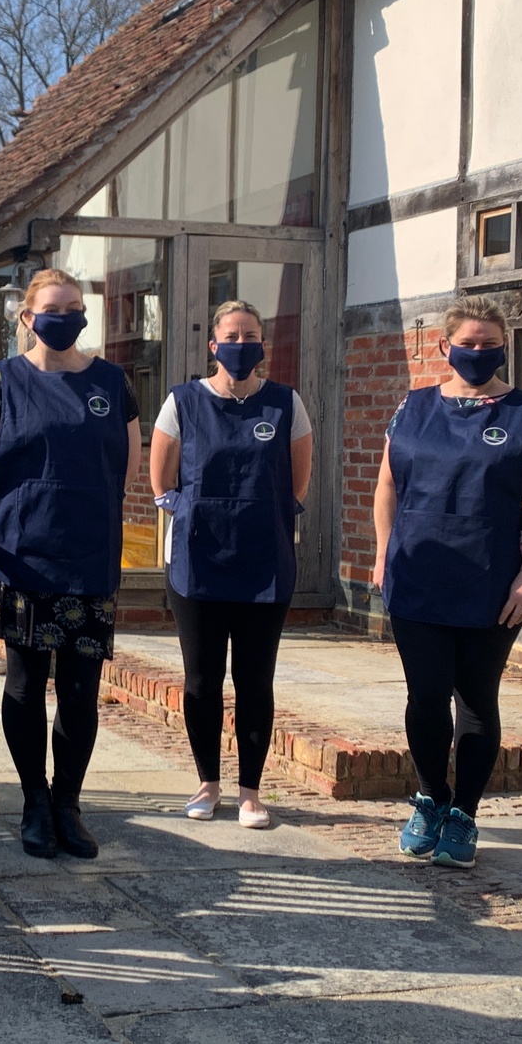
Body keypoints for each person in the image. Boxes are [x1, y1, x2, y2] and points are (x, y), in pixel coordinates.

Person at [371, 299, 522, 869]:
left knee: (476, 700)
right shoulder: (412, 407)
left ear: (504, 345)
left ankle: (465, 816)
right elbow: (387, 485)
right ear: (444, 347)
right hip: (417, 574)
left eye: (490, 343)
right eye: (469, 343)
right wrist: (383, 553)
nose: (478, 353)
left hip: (490, 579)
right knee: (425, 696)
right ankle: (431, 799)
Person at [0, 269, 141, 859]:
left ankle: (68, 803)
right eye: (52, 307)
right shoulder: (3, 379)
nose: (64, 316)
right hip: (25, 559)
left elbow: (128, 470)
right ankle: (34, 801)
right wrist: (22, 513)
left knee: (82, 691)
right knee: (25, 683)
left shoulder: (113, 383)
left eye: (74, 306)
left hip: (89, 561)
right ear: (27, 317)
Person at [149, 300, 313, 829]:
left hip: (264, 561)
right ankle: (207, 783)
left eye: (252, 334)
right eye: (232, 335)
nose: (242, 343)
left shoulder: (286, 403)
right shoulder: (183, 402)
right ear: (213, 344)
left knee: (254, 679)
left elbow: (298, 483)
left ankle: (250, 792)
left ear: (263, 344)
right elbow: (161, 479)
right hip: (198, 561)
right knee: (201, 680)